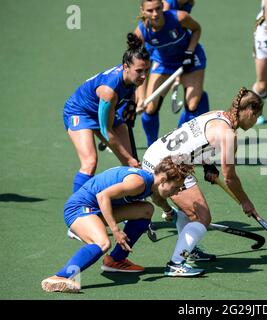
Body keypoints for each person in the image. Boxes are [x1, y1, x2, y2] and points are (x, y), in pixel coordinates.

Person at [140, 87, 264, 277]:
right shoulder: (229, 136)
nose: (255, 121)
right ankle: (176, 263)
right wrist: (245, 201)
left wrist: (207, 166)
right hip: (167, 166)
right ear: (248, 111)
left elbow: (194, 139)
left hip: (153, 154)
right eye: (256, 116)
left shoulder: (216, 114)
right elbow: (230, 177)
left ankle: (190, 249)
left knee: (188, 212)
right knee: (202, 218)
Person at [41, 155, 194, 293]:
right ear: (162, 180)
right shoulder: (138, 182)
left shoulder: (151, 184)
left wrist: (170, 213)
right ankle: (60, 276)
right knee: (103, 243)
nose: (175, 193)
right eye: (174, 188)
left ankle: (115, 260)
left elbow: (158, 199)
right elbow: (103, 196)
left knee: (146, 209)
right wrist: (115, 230)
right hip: (79, 209)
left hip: (97, 210)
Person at [63, 33, 150, 193]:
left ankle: (128, 209)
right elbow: (106, 130)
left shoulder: (132, 76)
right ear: (125, 67)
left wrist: (132, 103)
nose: (144, 76)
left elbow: (131, 87)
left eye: (147, 70)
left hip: (105, 110)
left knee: (131, 167)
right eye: (139, 71)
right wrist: (129, 159)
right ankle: (78, 210)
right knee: (90, 163)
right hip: (80, 112)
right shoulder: (109, 90)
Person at [134, 0, 210, 147]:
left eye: (158, 8)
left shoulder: (180, 17)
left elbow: (197, 29)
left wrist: (190, 51)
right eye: (150, 10)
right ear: (143, 11)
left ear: (163, 6)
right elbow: (139, 66)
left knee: (193, 104)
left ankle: (177, 141)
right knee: (150, 108)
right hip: (164, 63)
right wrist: (142, 97)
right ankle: (152, 146)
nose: (155, 14)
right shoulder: (141, 33)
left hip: (190, 59)